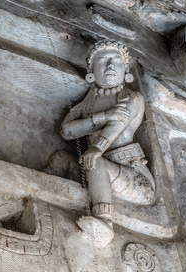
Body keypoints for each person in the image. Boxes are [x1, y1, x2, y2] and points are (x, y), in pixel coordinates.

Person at [61, 41, 146, 236]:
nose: (110, 66)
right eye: (103, 61)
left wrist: (97, 148)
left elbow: (118, 124)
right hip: (97, 169)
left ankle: (104, 225)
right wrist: (104, 115)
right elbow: (66, 131)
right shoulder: (87, 104)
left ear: (126, 69)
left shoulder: (132, 98)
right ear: (91, 69)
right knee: (61, 158)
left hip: (132, 175)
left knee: (96, 163)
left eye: (116, 61)